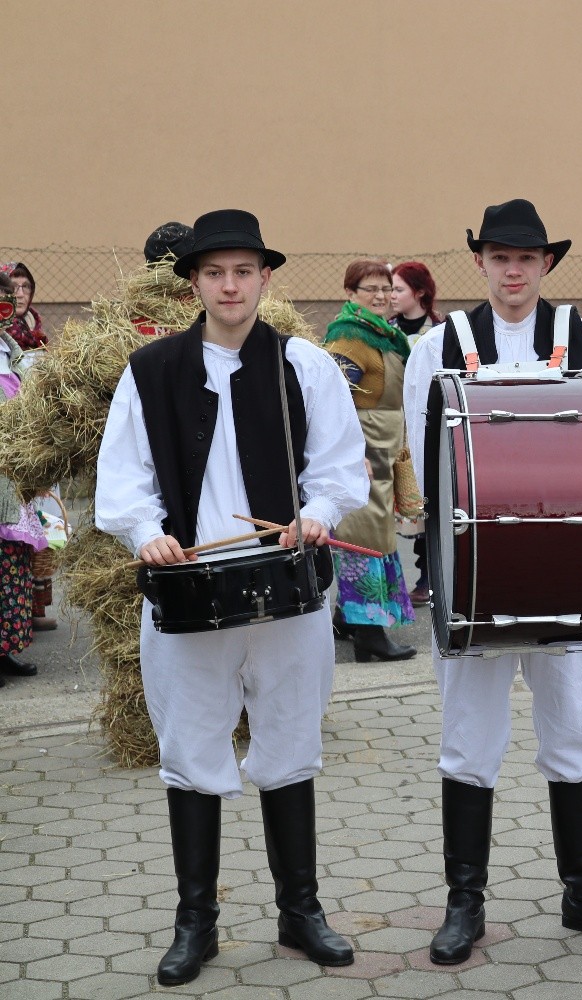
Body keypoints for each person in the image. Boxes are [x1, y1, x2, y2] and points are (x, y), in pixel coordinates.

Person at [94, 210, 370, 984]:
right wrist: (145, 532)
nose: (230, 286)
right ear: (193, 283)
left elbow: (340, 466)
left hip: (286, 589)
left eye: (243, 271)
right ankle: (196, 924)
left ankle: (300, 912)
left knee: (290, 740)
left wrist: (316, 515)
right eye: (214, 273)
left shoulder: (303, 366)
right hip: (189, 593)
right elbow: (124, 475)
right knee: (190, 748)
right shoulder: (151, 370)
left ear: (265, 278)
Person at [403, 199, 582, 961]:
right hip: (474, 578)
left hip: (566, 571)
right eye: (501, 257)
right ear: (481, 261)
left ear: (546, 264)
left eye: (527, 258)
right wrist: (447, 568)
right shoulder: (439, 345)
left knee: (576, 731)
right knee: (468, 741)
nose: (513, 271)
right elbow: (428, 460)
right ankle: (464, 904)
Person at [323, 260, 417, 661]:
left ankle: (347, 619)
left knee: (377, 533)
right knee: (362, 536)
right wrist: (351, 453)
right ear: (350, 293)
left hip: (384, 446)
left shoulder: (384, 334)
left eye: (386, 288)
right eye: (370, 289)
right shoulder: (349, 337)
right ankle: (369, 635)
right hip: (363, 450)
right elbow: (333, 401)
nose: (381, 296)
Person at [0, 261, 54, 630]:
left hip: (17, 470)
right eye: (10, 292)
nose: (17, 298)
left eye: (22, 290)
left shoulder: (14, 348)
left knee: (17, 557)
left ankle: (12, 637)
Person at [389, 260, 445, 606]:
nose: (391, 295)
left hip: (425, 425)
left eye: (398, 289)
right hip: (394, 427)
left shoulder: (439, 333)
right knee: (399, 506)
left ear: (420, 292)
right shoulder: (386, 331)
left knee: (426, 500)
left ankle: (428, 577)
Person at [0, 272, 43, 683]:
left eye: (4, 305)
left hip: (12, 481)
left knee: (12, 568)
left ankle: (5, 650)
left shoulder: (11, 352)